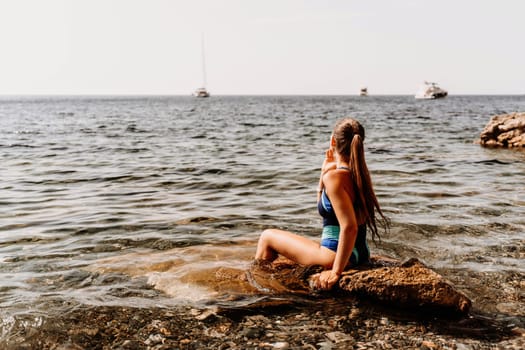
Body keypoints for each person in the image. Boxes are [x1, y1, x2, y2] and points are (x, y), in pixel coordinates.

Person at [255, 118, 388, 290]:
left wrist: (336, 272)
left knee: (267, 236)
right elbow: (330, 211)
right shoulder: (359, 175)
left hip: (334, 255)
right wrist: (323, 175)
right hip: (360, 252)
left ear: (333, 141)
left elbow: (350, 227)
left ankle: (256, 288)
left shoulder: (335, 178)